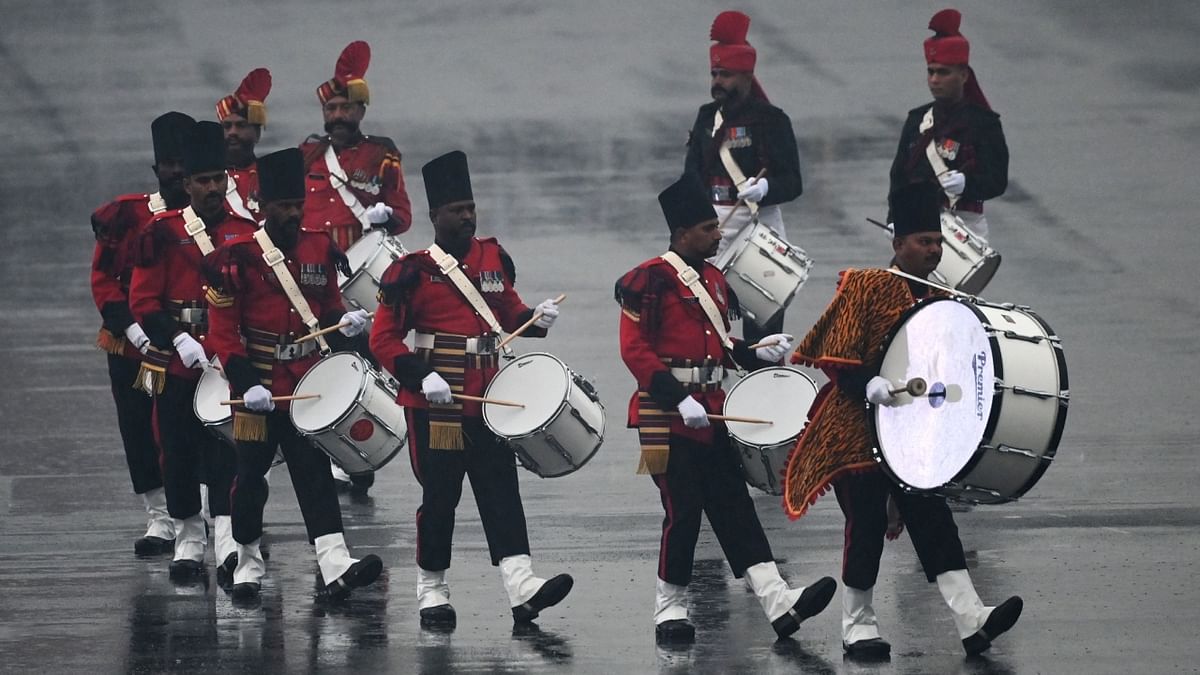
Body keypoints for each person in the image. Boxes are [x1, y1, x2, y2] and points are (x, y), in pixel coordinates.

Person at [782, 183, 1022, 659]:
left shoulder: (944, 299)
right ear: (897, 244)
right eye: (922, 242)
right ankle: (857, 625)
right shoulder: (867, 285)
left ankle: (972, 618)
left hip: (912, 432)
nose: (933, 250)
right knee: (866, 522)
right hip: (855, 427)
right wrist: (866, 382)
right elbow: (835, 352)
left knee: (932, 517)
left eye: (938, 242)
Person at [614, 174, 834, 645]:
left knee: (735, 507)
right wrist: (678, 399)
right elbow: (635, 350)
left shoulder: (713, 278)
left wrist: (757, 352)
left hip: (713, 411)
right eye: (708, 228)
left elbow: (718, 346)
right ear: (681, 235)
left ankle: (778, 600)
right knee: (684, 511)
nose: (718, 235)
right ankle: (669, 607)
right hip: (666, 415)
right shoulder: (648, 280)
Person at [370, 150, 571, 630]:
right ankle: (431, 589)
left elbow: (509, 314)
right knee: (441, 498)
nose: (467, 216)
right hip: (434, 405)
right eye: (456, 209)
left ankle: (521, 585)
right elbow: (381, 339)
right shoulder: (410, 272)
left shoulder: (492, 257)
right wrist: (421, 376)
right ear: (435, 216)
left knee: (502, 491)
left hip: (487, 399)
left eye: (471, 207)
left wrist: (535, 320)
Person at [204, 147, 381, 602]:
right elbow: (223, 336)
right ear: (263, 207)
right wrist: (248, 384)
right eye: (283, 205)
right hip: (256, 387)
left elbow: (324, 311)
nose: (292, 213)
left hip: (304, 385)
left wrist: (346, 324)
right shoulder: (235, 258)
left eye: (297, 204)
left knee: (314, 473)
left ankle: (335, 564)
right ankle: (246, 563)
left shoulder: (318, 247)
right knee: (248, 480)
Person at [128, 120, 259, 582]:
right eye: (202, 181)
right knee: (177, 450)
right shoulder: (161, 232)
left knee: (228, 452)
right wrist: (175, 337)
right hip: (176, 360)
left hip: (225, 360)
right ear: (186, 184)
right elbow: (142, 300)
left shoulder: (246, 232)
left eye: (217, 179)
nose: (211, 188)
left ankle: (225, 535)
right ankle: (187, 534)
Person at [301, 40, 413, 494]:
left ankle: (358, 457)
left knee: (361, 364)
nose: (338, 115)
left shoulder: (381, 154)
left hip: (362, 278)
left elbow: (403, 215)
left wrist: (385, 215)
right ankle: (329, 453)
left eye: (346, 107)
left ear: (361, 111)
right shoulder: (307, 154)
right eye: (332, 107)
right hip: (313, 276)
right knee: (318, 363)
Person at [90, 111, 193, 556]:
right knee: (137, 427)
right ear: (157, 170)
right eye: (168, 164)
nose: (176, 173)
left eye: (183, 164)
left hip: (188, 348)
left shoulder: (211, 218)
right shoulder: (127, 215)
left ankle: (202, 513)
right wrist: (132, 331)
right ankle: (158, 516)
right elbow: (103, 279)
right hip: (132, 347)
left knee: (187, 432)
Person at [683, 10, 803, 344]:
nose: (717, 82)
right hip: (713, 226)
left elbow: (793, 182)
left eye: (726, 75)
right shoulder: (707, 117)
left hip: (759, 226)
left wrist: (765, 188)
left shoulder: (772, 120)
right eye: (714, 73)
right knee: (698, 327)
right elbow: (691, 173)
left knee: (763, 337)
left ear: (747, 76)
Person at [888, 8, 1008, 240]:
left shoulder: (984, 123)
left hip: (965, 226)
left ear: (963, 75)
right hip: (916, 223)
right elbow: (899, 178)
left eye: (943, 73)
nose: (934, 80)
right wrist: (894, 219)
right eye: (931, 72)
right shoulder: (917, 119)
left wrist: (967, 185)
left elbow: (997, 181)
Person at [216, 67, 272, 222]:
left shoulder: (271, 177)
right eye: (226, 127)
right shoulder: (208, 179)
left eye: (241, 126)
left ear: (257, 134)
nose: (232, 132)